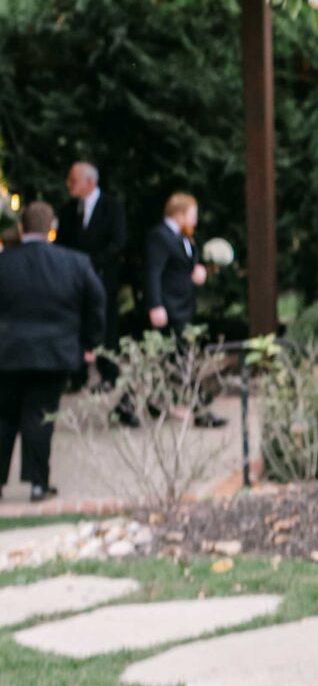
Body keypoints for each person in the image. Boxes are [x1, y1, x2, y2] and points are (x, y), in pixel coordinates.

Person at [0, 200, 104, 501]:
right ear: (52, 229)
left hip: (7, 351)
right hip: (54, 352)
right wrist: (90, 343)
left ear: (22, 228)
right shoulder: (75, 262)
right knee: (40, 416)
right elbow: (97, 303)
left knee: (4, 417)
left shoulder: (4, 263)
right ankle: (37, 483)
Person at [143, 191, 225, 428]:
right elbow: (153, 273)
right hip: (169, 308)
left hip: (184, 305)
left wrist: (198, 273)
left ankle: (142, 402)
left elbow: (180, 269)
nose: (195, 220)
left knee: (170, 359)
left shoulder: (184, 237)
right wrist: (155, 305)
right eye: (192, 214)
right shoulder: (160, 236)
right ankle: (200, 411)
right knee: (183, 360)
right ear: (179, 214)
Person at [56, 161, 128, 378]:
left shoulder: (112, 207)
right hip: (74, 281)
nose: (69, 184)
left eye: (73, 180)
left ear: (89, 182)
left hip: (102, 277)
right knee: (76, 323)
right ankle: (77, 374)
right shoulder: (68, 210)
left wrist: (92, 265)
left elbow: (119, 242)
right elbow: (61, 244)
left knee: (106, 322)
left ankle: (108, 372)